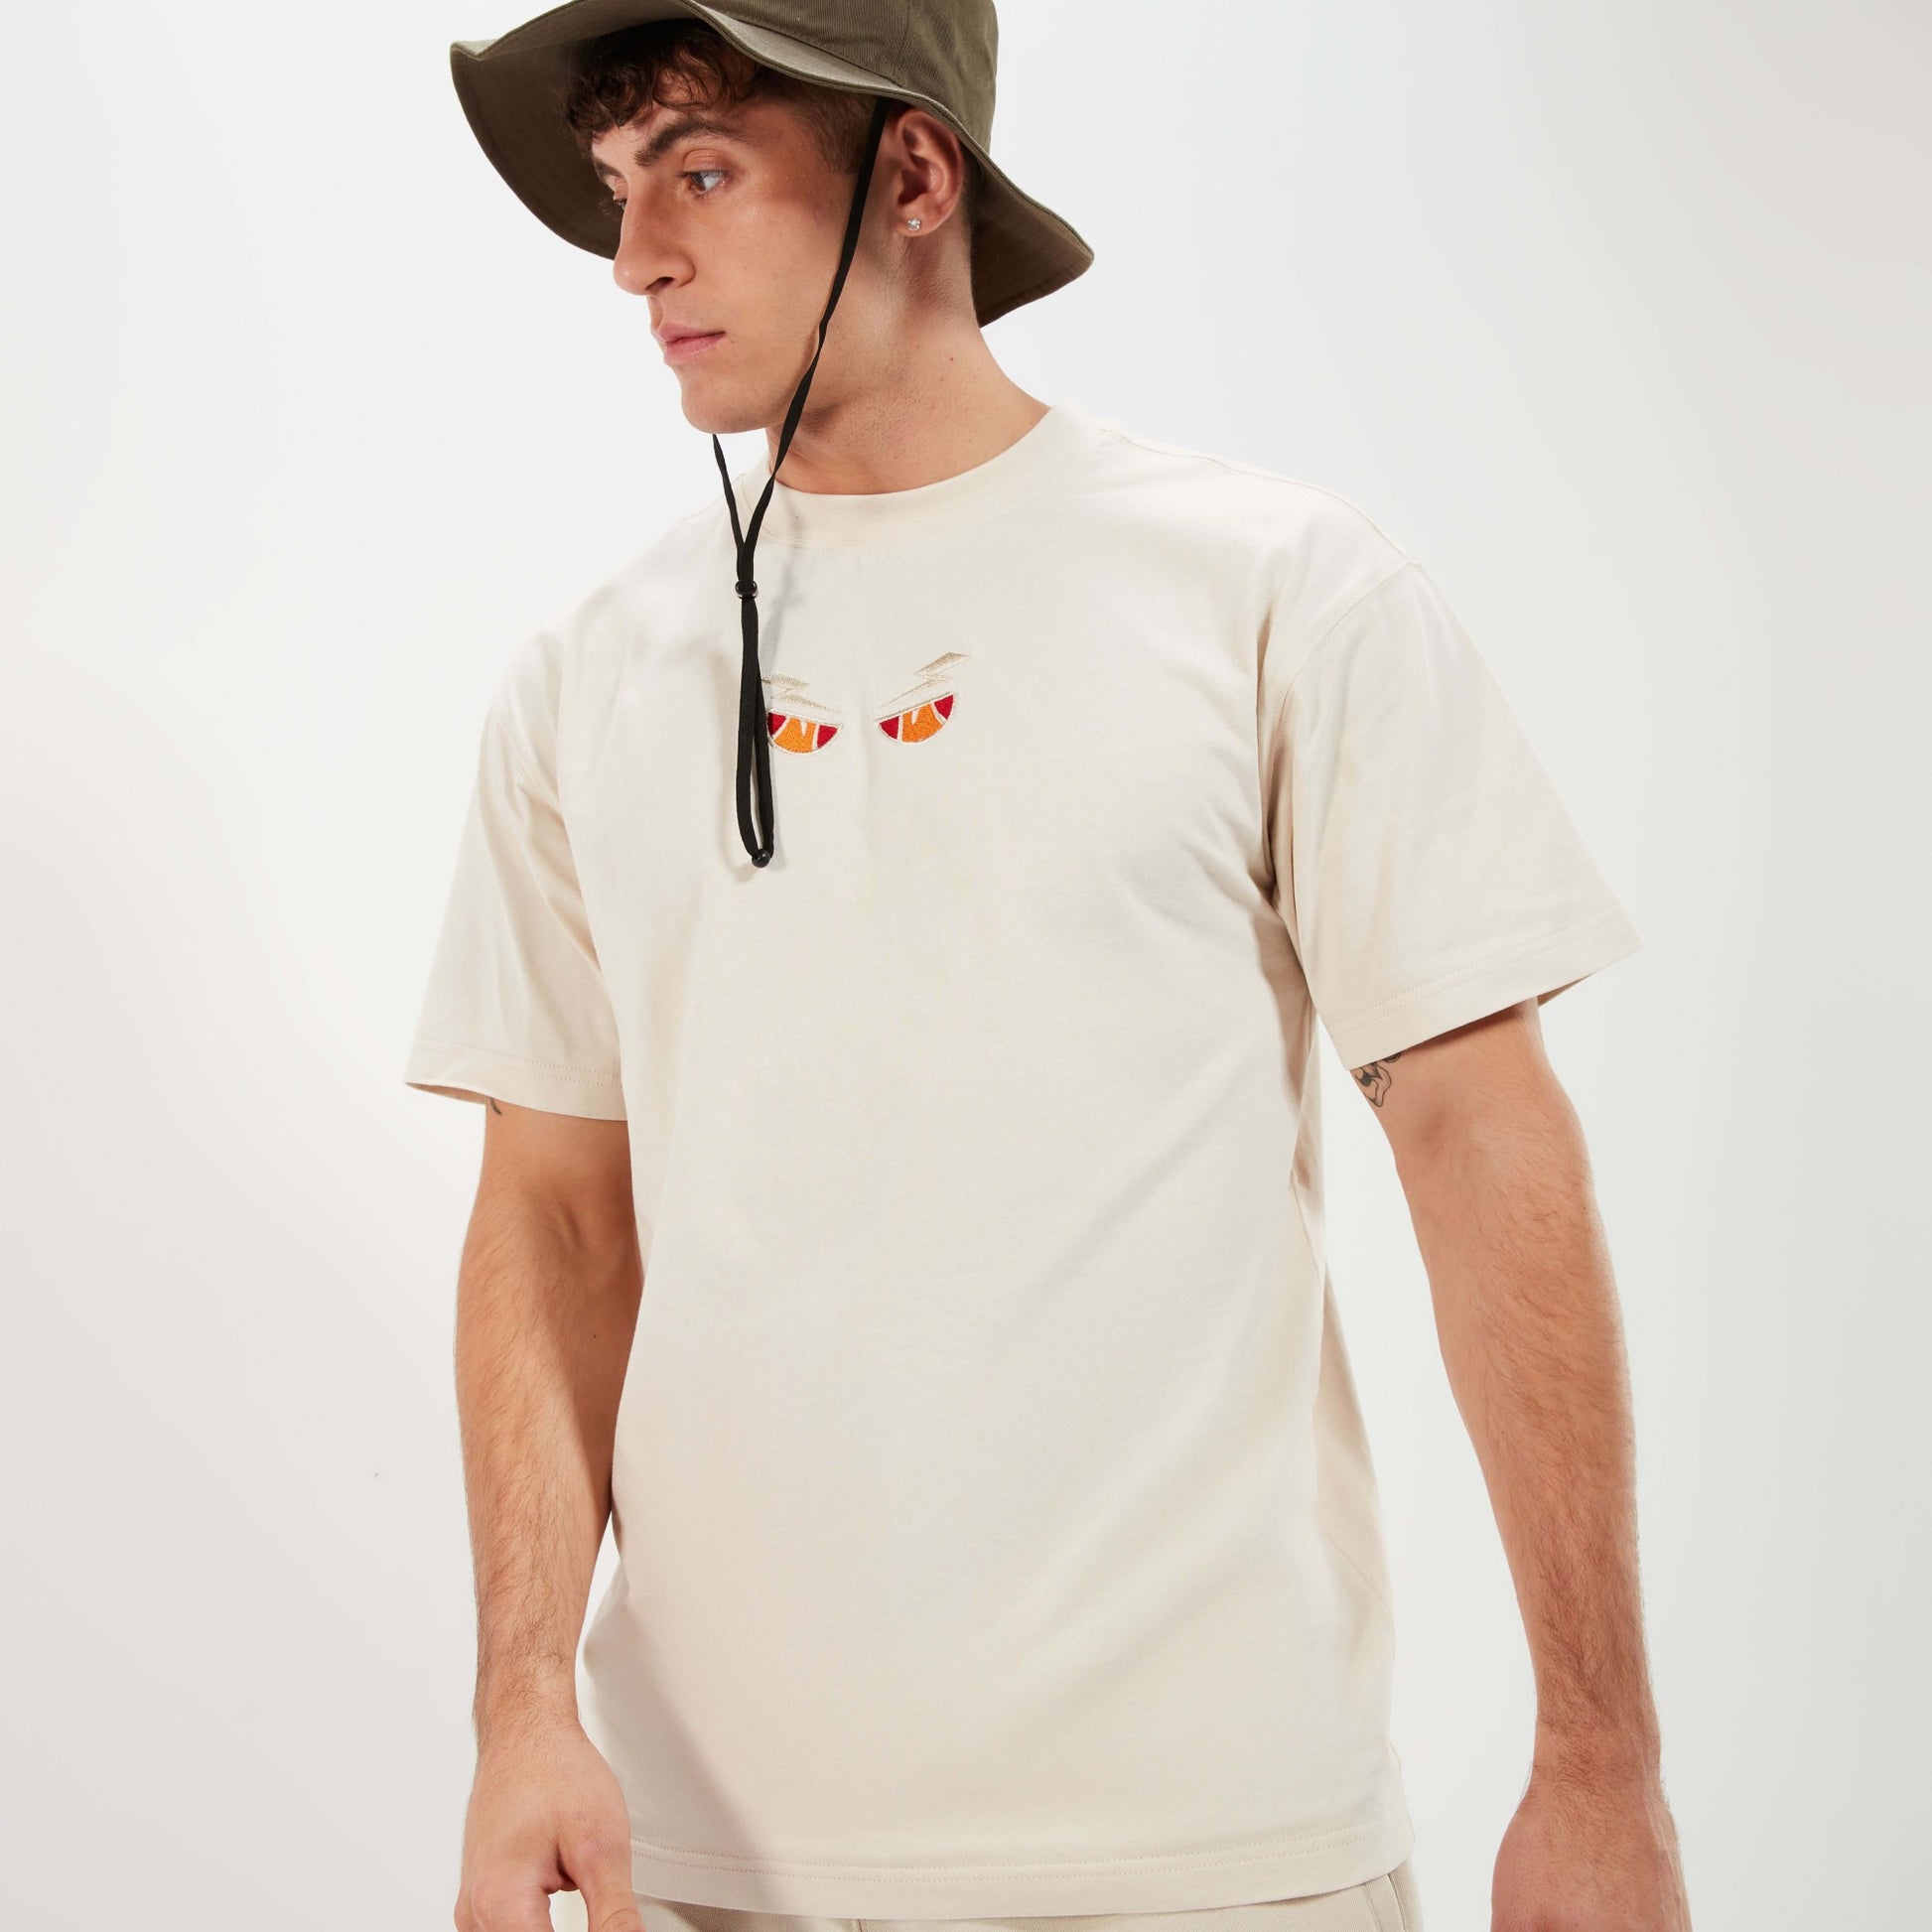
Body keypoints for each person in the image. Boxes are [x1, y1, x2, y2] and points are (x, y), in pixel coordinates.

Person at [404, 6, 1692, 1931]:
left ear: (915, 174)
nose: (634, 258)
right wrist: (519, 1710)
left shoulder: (1271, 589)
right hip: (702, 1863)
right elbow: (555, 1220)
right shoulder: (587, 678)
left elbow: (1476, 1136)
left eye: (700, 172)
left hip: (1214, 1856)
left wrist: (1598, 1759)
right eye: (616, 190)